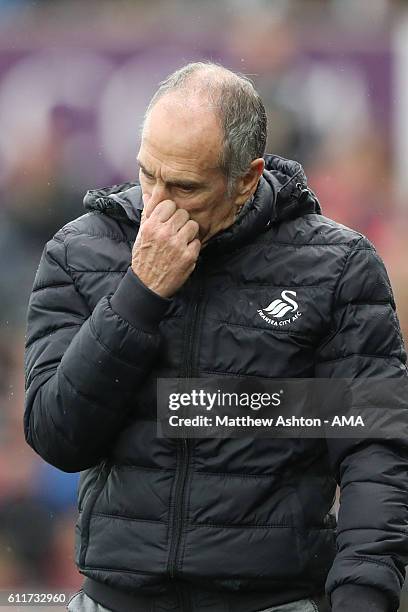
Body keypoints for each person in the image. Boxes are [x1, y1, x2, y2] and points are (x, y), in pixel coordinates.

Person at [23, 62, 408, 612]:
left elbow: (375, 448)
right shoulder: (80, 251)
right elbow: (58, 436)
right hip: (117, 599)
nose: (158, 203)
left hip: (272, 600)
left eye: (184, 187)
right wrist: (138, 297)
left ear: (246, 179)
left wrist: (364, 594)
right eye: (146, 174)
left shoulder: (337, 268)